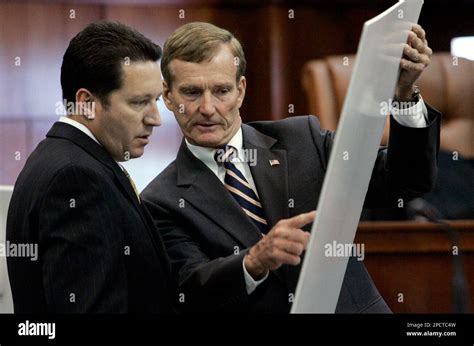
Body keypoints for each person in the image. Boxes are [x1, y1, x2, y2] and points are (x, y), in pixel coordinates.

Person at [141, 22, 440, 313]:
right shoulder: (161, 201)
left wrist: (404, 94)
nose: (207, 108)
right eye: (192, 93)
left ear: (241, 90)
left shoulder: (301, 139)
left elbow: (406, 181)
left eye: (221, 91)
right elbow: (191, 290)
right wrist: (254, 261)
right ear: (168, 96)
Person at [6, 21, 176, 313]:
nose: (155, 118)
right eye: (139, 102)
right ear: (86, 103)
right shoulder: (76, 178)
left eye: (156, 101)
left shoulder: (63, 159)